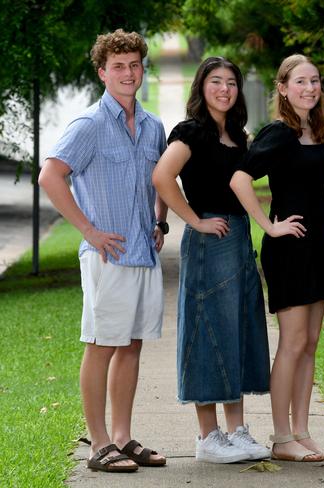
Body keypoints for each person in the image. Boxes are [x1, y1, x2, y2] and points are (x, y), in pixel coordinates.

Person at [39, 29, 167, 472]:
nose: (128, 73)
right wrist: (89, 231)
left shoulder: (153, 126)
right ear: (102, 72)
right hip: (107, 256)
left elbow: (162, 178)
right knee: (101, 346)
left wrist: (161, 218)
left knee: (131, 346)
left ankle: (122, 437)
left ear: (142, 69)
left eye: (134, 65)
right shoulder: (88, 125)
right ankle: (98, 445)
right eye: (118, 66)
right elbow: (50, 177)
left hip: (144, 254)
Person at [152, 57, 271, 464]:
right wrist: (194, 222)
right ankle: (208, 437)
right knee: (207, 332)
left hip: (239, 241)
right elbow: (162, 177)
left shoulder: (239, 137)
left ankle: (237, 431)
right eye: (215, 81)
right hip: (209, 242)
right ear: (202, 87)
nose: (225, 89)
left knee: (237, 330)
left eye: (232, 82)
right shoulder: (192, 132)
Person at [230, 54, 324, 462]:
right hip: (289, 248)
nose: (309, 88)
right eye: (300, 82)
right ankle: (280, 437)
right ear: (283, 88)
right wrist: (268, 225)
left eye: (314, 81)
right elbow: (240, 178)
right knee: (292, 343)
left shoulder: (316, 130)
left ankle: (302, 432)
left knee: (310, 343)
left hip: (318, 246)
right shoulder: (279, 132)